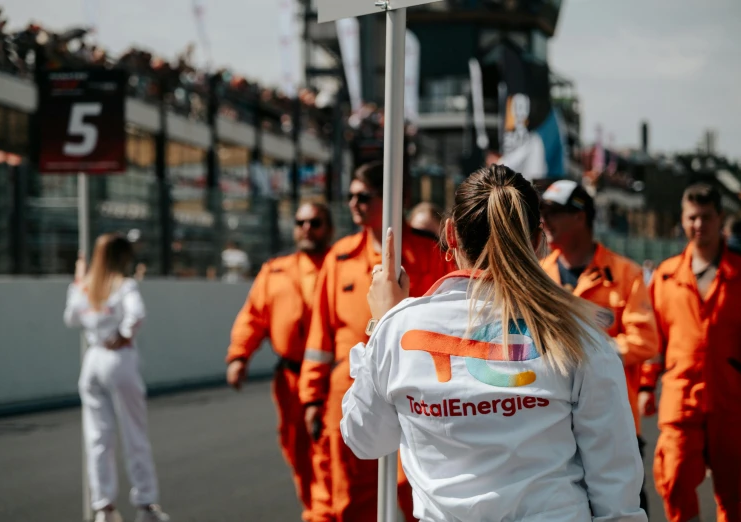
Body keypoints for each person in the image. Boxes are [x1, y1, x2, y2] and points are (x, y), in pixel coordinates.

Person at [340, 165, 646, 522]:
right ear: (536, 240)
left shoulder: (398, 329)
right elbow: (615, 481)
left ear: (450, 235)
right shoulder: (579, 331)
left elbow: (366, 441)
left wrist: (381, 325)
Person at [299, 161, 452, 522]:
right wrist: (311, 397)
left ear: (392, 198)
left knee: (417, 489)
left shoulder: (429, 253)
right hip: (349, 388)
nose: (354, 203)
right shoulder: (338, 259)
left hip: (416, 385)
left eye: (364, 196)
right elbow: (319, 337)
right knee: (351, 494)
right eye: (351, 196)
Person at [539, 179, 659, 515]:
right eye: (542, 213)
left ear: (581, 217)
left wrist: (591, 352)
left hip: (615, 420)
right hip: (552, 420)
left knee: (624, 508)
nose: (544, 221)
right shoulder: (538, 275)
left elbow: (646, 341)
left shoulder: (626, 273)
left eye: (553, 213)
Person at [225, 202, 335, 522]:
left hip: (333, 378)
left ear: (328, 228)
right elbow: (253, 318)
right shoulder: (275, 270)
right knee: (297, 451)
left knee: (331, 455)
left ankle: (324, 514)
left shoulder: (342, 265)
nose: (307, 228)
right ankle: (313, 510)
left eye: (315, 222)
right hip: (289, 379)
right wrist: (239, 356)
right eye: (301, 222)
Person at [640, 183, 741, 522]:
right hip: (680, 399)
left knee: (736, 494)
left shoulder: (739, 274)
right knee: (674, 479)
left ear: (720, 218)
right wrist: (645, 386)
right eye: (692, 218)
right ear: (683, 220)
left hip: (731, 400)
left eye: (707, 218)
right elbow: (654, 343)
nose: (699, 225)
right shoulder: (666, 277)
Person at [64, 235, 169, 522]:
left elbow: (71, 318)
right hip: (118, 360)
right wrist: (123, 334)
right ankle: (146, 504)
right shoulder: (124, 285)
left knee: (98, 437)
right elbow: (137, 315)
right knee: (134, 433)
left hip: (92, 360)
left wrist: (78, 278)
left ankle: (104, 508)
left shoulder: (85, 287)